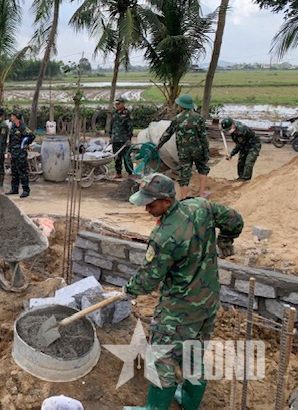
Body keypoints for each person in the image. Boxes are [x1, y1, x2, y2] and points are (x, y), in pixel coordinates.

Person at [121, 173, 243, 410]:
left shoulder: (164, 236)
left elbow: (149, 279)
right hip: (208, 302)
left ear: (167, 201)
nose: (146, 209)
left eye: (150, 204)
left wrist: (128, 290)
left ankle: (154, 408)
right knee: (194, 354)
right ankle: (188, 400)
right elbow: (235, 220)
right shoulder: (200, 206)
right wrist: (225, 240)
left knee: (161, 358)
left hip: (179, 310)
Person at [156, 94, 210, 199]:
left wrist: (158, 146)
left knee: (184, 175)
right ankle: (202, 193)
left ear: (181, 106)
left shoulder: (177, 119)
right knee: (202, 168)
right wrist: (206, 150)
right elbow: (204, 137)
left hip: (183, 152)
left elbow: (167, 134)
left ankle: (184, 198)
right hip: (198, 150)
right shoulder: (198, 118)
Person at [6, 109, 35, 198]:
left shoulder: (23, 127)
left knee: (23, 172)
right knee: (14, 172)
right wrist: (9, 151)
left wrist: (25, 143)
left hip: (21, 153)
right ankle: (14, 189)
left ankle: (26, 190)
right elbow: (11, 140)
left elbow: (32, 136)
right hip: (14, 153)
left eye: (12, 115)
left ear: (16, 117)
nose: (11, 117)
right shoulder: (13, 126)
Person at [110, 96, 134, 179]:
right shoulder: (115, 113)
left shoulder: (127, 113)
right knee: (117, 157)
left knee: (126, 157)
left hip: (124, 139)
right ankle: (118, 173)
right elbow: (112, 125)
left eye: (118, 104)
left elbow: (130, 127)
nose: (117, 105)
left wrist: (129, 138)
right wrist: (111, 136)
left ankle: (130, 173)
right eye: (116, 104)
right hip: (115, 139)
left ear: (123, 104)